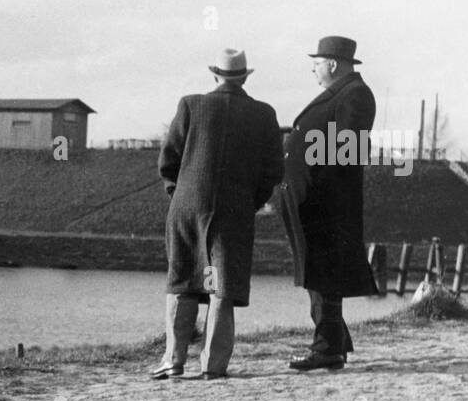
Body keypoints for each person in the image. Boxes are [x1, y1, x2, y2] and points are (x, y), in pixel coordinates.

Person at [151, 49, 284, 380]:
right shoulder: (264, 114)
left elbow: (169, 159)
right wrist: (249, 202)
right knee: (220, 285)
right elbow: (273, 171)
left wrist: (178, 193)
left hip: (186, 207)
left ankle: (173, 359)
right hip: (233, 212)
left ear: (215, 76)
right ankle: (213, 365)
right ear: (244, 77)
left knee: (183, 278)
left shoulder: (190, 105)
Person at [276, 36, 378, 371]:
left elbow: (347, 153)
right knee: (320, 275)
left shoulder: (356, 95)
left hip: (325, 204)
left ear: (332, 64)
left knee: (322, 276)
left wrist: (314, 187)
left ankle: (327, 348)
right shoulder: (345, 93)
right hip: (314, 200)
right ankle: (334, 343)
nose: (313, 68)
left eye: (317, 63)